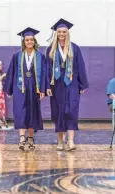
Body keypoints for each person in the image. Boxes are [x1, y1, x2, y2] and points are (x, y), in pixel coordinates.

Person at [46, 18, 89, 151]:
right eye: (59, 31)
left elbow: (80, 66)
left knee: (71, 111)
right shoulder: (51, 50)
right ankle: (60, 141)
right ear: (56, 33)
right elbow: (47, 68)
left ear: (67, 32)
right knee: (58, 111)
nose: (61, 34)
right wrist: (47, 86)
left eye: (64, 31)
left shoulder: (74, 48)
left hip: (72, 83)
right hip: (56, 84)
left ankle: (70, 141)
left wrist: (82, 84)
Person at [4, 27, 46, 151]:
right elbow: (11, 72)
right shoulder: (17, 56)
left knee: (32, 112)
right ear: (23, 42)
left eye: (31, 40)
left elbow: (44, 73)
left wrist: (42, 89)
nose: (29, 42)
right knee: (20, 112)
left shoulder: (40, 56)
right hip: (20, 88)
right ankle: (22, 138)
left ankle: (31, 138)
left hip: (34, 87)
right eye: (27, 40)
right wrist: (9, 90)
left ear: (34, 41)